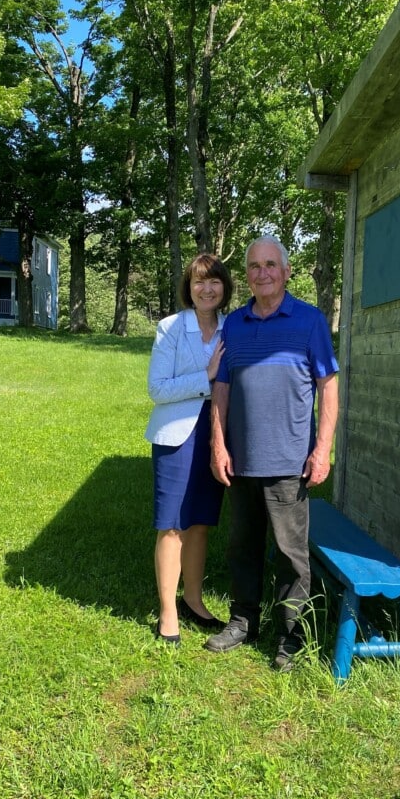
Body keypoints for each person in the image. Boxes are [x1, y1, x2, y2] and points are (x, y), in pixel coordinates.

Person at [206, 235, 339, 670]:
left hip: (288, 462)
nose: (261, 273)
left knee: (289, 554)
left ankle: (291, 637)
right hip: (241, 461)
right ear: (246, 275)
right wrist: (218, 442)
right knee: (242, 547)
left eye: (269, 265)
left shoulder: (310, 321)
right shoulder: (235, 324)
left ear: (284, 272)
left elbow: (328, 389)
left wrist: (322, 449)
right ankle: (243, 621)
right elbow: (221, 387)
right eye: (253, 266)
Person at [145, 253, 233, 644]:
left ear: (224, 287)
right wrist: (206, 376)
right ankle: (168, 612)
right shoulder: (169, 328)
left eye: (213, 281)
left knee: (200, 522)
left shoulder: (234, 328)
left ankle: (193, 601)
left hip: (216, 436)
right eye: (199, 281)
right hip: (175, 438)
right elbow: (157, 388)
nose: (206, 288)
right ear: (189, 287)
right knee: (172, 525)